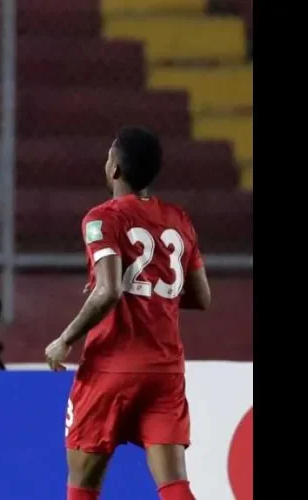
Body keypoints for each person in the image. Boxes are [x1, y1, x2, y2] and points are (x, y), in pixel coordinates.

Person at [44, 127, 211, 500]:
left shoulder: (102, 218)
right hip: (164, 368)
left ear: (115, 168)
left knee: (83, 484)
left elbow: (108, 291)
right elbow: (201, 297)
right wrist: (150, 289)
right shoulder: (178, 219)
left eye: (108, 156)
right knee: (174, 484)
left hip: (111, 367)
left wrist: (64, 339)